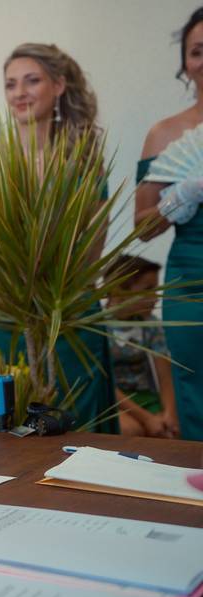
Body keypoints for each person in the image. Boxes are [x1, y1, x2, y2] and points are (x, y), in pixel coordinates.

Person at [0, 42, 117, 431]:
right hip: (3, 317)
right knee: (8, 423)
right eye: (11, 84)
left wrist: (49, 291)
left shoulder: (82, 160)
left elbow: (94, 243)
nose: (19, 92)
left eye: (31, 81)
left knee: (75, 422)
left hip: (66, 312)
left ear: (59, 85)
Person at [135, 7, 203, 441]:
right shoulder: (164, 135)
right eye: (198, 51)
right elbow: (141, 228)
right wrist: (180, 197)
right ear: (185, 64)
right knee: (196, 392)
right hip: (191, 284)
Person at [106, 255, 178, 438]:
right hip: (115, 401)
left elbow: (165, 375)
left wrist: (170, 413)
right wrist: (146, 419)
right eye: (149, 289)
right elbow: (104, 383)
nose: (156, 297)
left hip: (147, 397)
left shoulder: (150, 324)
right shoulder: (99, 328)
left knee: (172, 432)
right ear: (120, 291)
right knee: (131, 431)